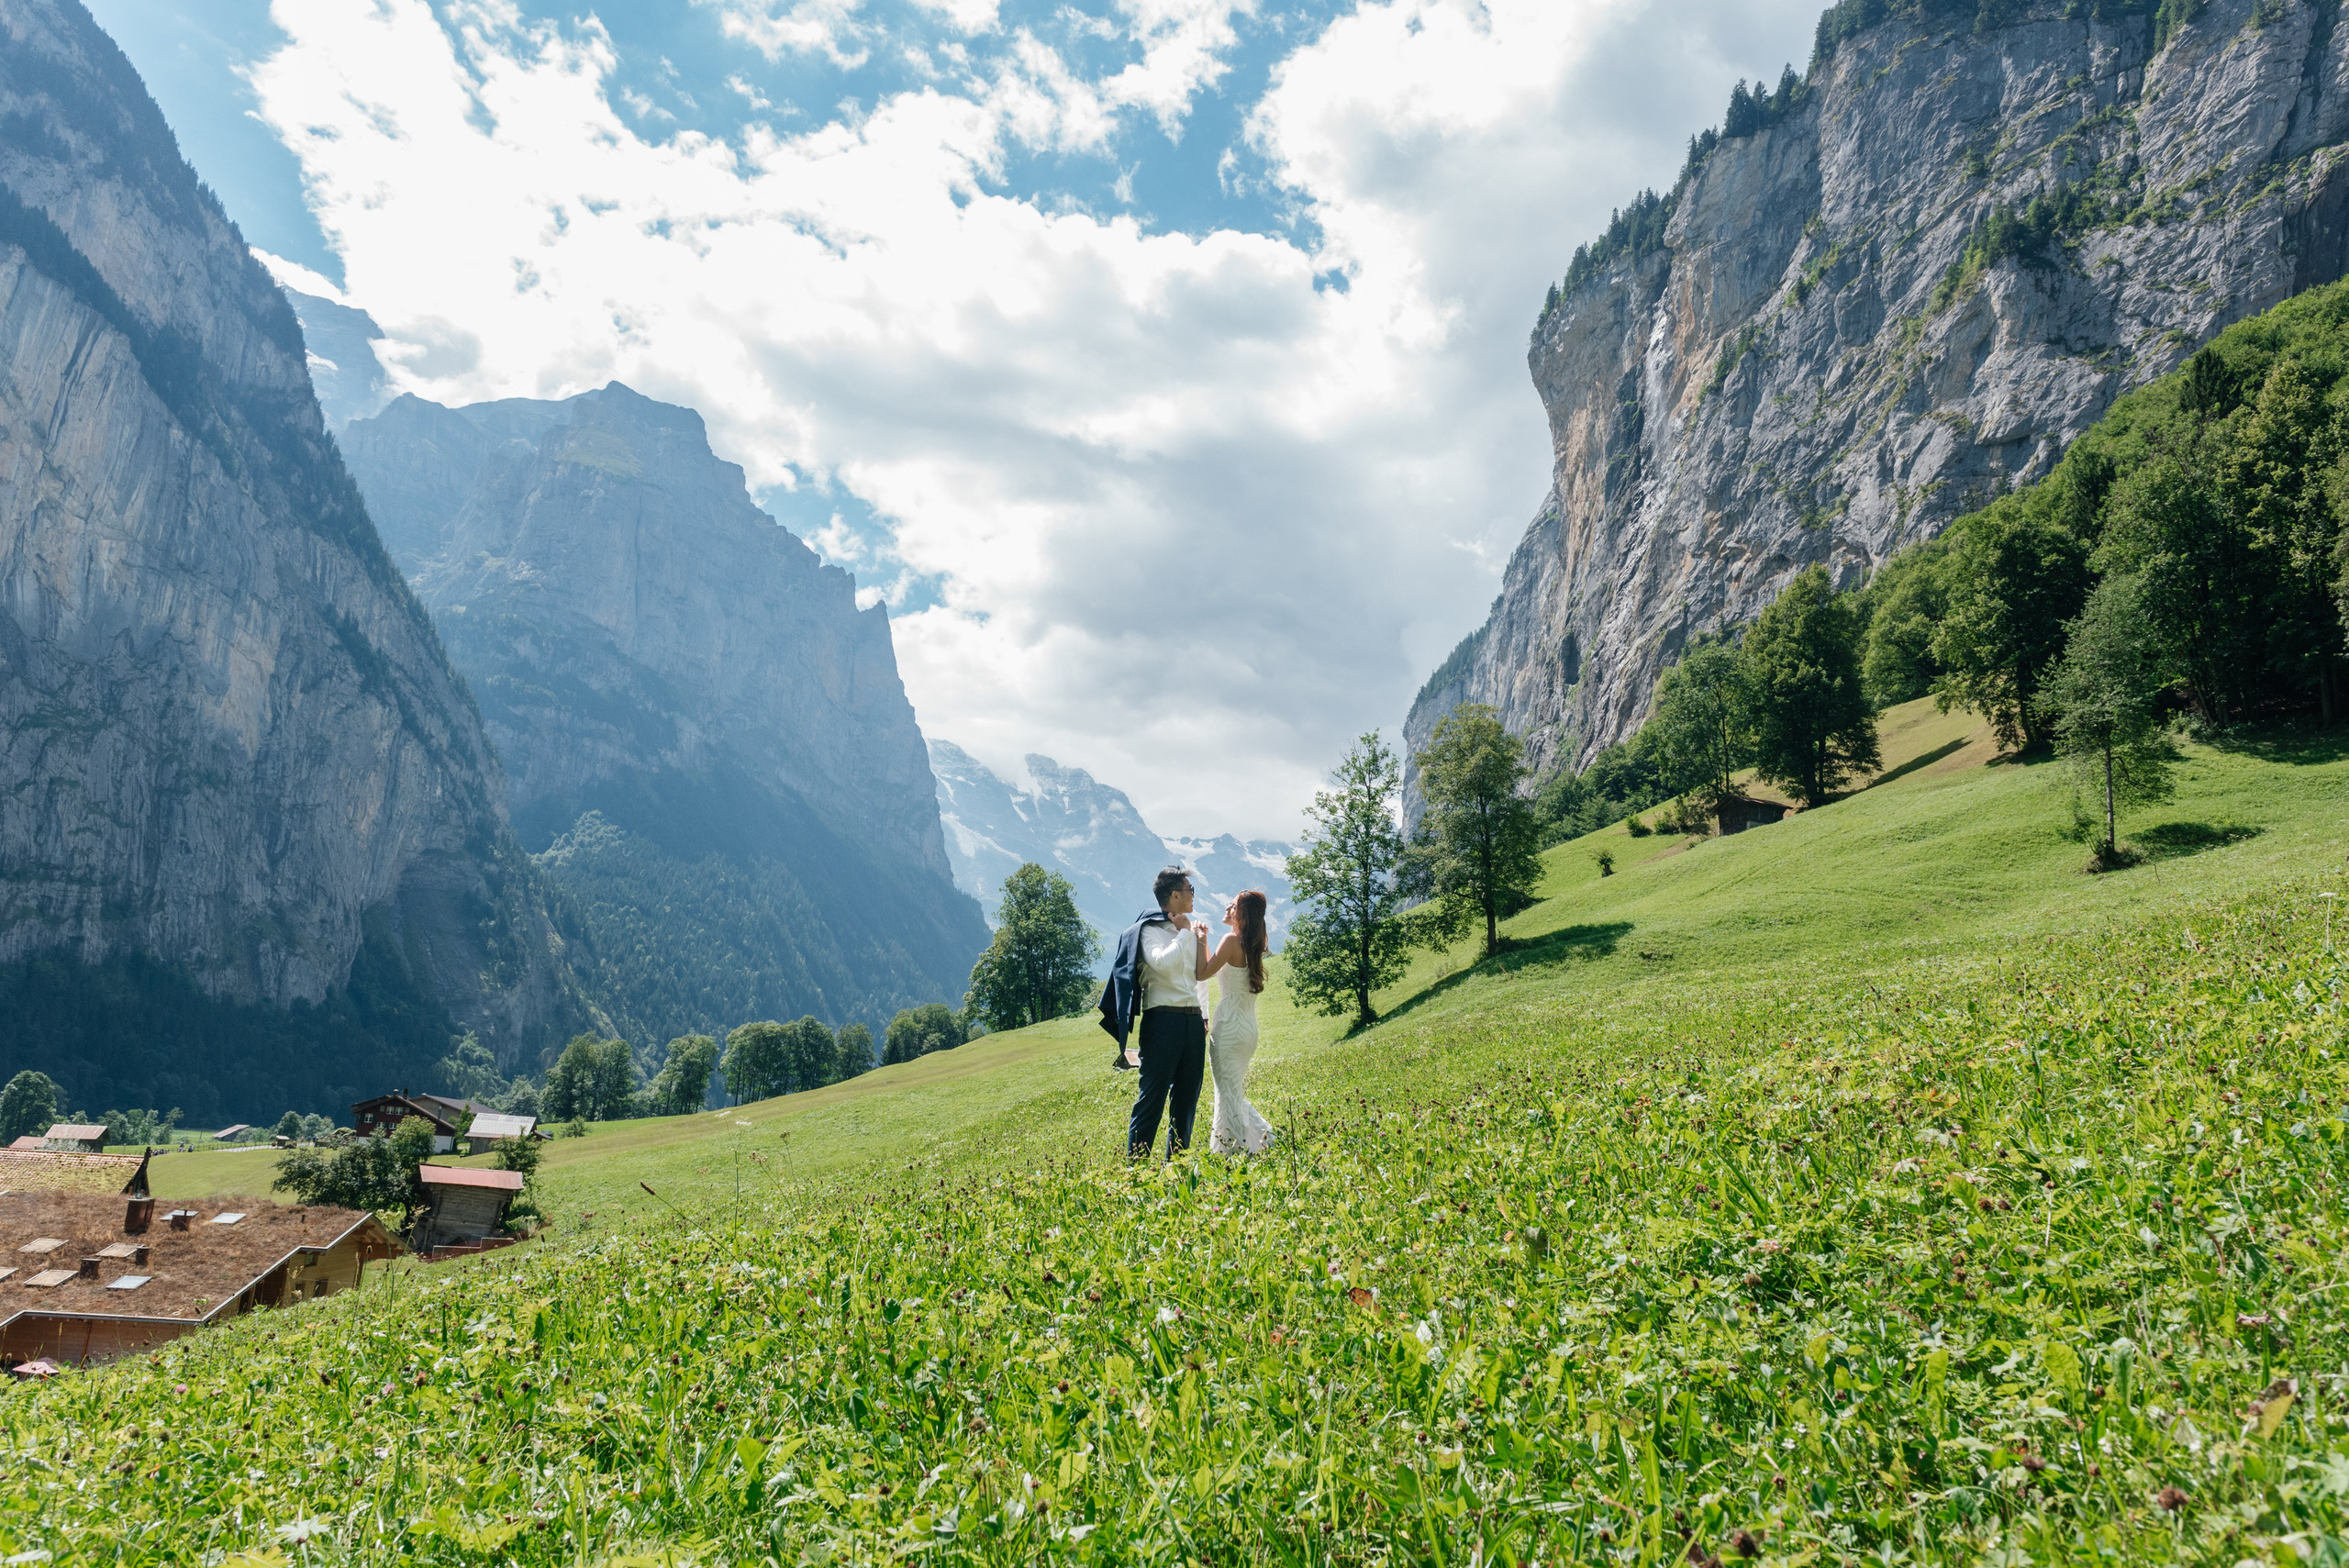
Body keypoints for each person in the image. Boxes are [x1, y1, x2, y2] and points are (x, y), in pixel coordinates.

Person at [1099, 866, 1209, 1159]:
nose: (1193, 896)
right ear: (1175, 895)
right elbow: (1162, 963)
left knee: (1186, 1103)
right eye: (1190, 890)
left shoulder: (1187, 929)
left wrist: (1204, 1015)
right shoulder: (1148, 931)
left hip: (1193, 1022)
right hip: (1162, 1022)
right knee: (1152, 1101)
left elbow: (1198, 977)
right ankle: (1136, 1172)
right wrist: (1186, 933)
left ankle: (1177, 1170)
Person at [1199, 889, 1274, 1155]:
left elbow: (1202, 972)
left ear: (1241, 913)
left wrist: (1199, 940)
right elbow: (1214, 963)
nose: (1227, 908)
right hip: (1248, 1030)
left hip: (1228, 1027)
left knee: (1227, 1092)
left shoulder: (1231, 940)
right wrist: (1205, 940)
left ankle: (1242, 1148)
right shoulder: (1252, 945)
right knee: (1231, 1090)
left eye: (1232, 905)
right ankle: (1238, 1145)